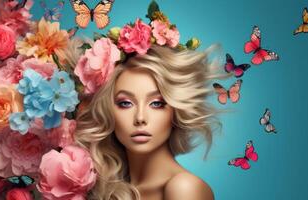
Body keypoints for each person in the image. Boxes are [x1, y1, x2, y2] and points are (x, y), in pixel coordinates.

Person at [74, 43, 223, 200]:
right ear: (108, 112)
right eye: (125, 103)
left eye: (156, 104)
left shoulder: (184, 188)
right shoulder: (111, 190)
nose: (140, 118)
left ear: (175, 112)